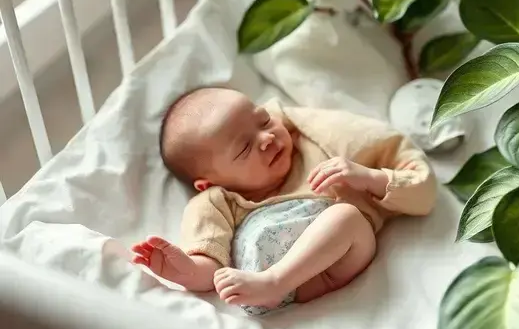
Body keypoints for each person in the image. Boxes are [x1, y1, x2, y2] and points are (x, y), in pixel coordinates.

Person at [131, 87, 437, 315]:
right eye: (244, 149)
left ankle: (274, 283)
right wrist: (179, 268)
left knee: (348, 217)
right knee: (345, 217)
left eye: (263, 121)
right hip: (256, 274)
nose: (266, 139)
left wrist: (369, 177)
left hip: (330, 266)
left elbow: (422, 192)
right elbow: (210, 269)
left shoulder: (318, 149)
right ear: (209, 182)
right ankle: (268, 284)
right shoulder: (215, 201)